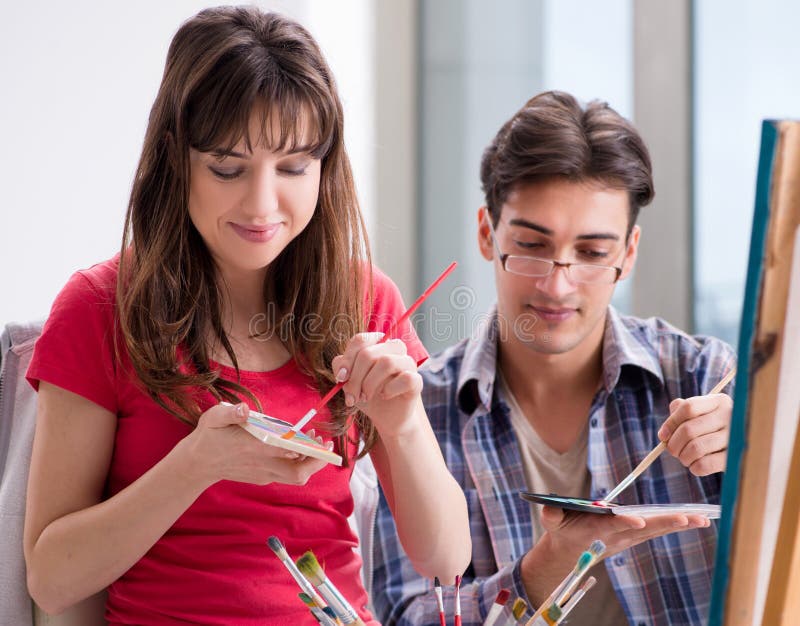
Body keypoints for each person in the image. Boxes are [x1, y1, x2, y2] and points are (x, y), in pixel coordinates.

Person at [23, 7, 470, 625]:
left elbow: (446, 562)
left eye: (292, 168)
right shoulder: (100, 309)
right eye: (228, 168)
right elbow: (51, 579)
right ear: (176, 159)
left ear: (325, 167)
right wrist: (196, 467)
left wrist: (406, 423)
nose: (262, 204)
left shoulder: (365, 302)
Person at [371, 91, 735, 626]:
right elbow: (406, 617)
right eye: (532, 246)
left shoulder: (704, 380)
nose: (557, 284)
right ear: (486, 233)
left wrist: (765, 463)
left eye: (591, 254)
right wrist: (552, 561)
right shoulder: (418, 411)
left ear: (628, 254)